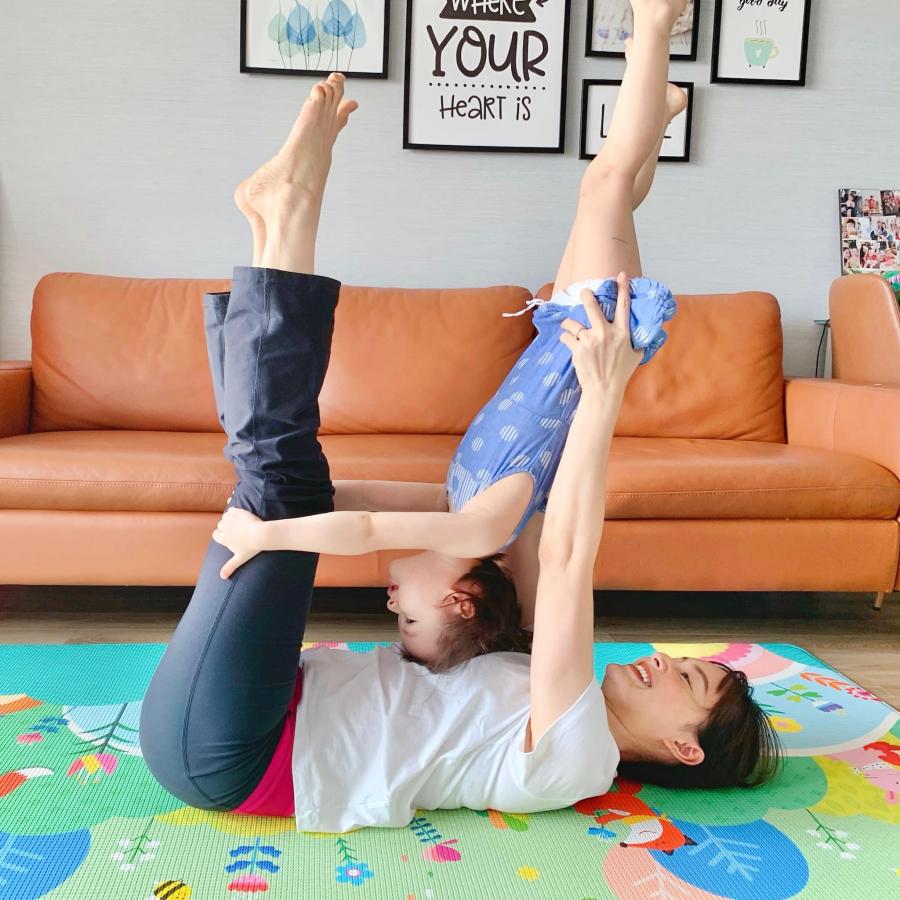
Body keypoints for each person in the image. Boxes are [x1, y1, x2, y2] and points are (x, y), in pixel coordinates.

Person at [140, 0, 781, 834]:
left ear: (683, 749)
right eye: (686, 664)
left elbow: (570, 555)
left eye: (689, 682)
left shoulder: (580, 754)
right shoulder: (537, 673)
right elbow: (539, 534)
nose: (665, 662)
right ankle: (276, 228)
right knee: (285, 480)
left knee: (277, 483)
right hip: (260, 709)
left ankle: (285, 222)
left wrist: (604, 397)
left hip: (238, 750)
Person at [211, 44, 683, 671]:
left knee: (606, 196)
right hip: (592, 333)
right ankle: (655, 21)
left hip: (559, 334)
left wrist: (284, 502)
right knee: (606, 184)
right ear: (461, 602)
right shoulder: (486, 530)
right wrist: (268, 535)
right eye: (409, 619)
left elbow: (362, 503)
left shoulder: (463, 509)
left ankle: (659, 113)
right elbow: (367, 532)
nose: (391, 606)